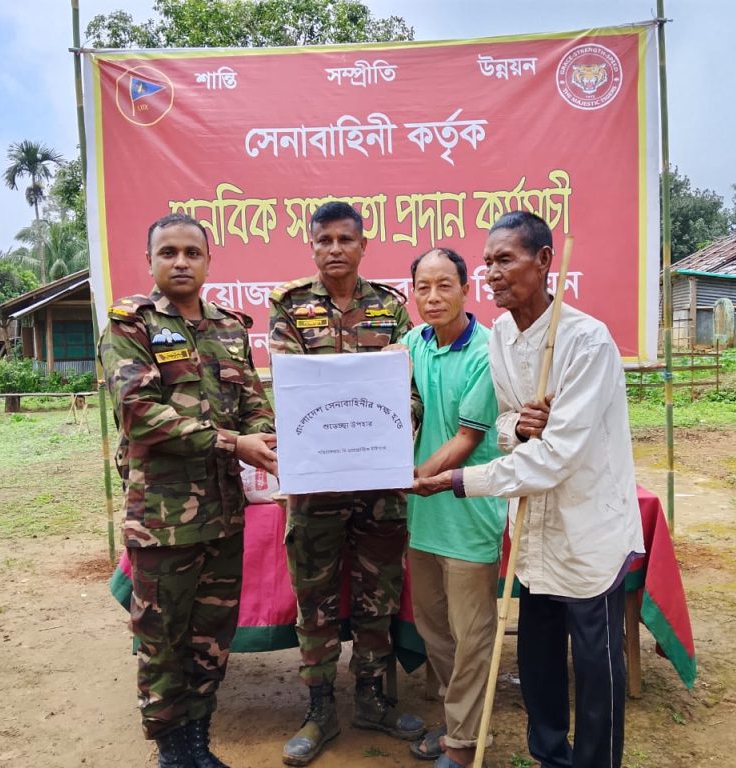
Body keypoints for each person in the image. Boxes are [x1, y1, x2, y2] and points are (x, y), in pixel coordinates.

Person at [413, 211, 645, 768]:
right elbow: (501, 428)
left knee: (594, 667)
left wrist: (460, 480)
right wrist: (516, 426)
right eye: (488, 261)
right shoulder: (501, 341)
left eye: (505, 259)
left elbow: (558, 457)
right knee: (538, 658)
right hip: (531, 533)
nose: (492, 272)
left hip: (587, 532)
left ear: (544, 262)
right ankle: (549, 755)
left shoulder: (586, 340)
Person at [99, 212, 278, 768]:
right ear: (150, 260)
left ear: (208, 260)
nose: (181, 261)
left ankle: (198, 743)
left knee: (210, 636)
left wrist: (262, 434)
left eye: (192, 252)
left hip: (224, 515)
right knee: (162, 639)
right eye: (168, 252)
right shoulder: (132, 325)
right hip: (162, 517)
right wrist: (233, 443)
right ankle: (171, 752)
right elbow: (140, 415)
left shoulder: (228, 326)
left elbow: (252, 400)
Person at [268, 201, 426, 766]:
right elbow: (289, 394)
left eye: (345, 239)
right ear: (311, 246)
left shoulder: (390, 307)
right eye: (324, 240)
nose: (334, 248)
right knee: (314, 599)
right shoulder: (289, 308)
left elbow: (410, 388)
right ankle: (318, 710)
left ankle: (373, 701)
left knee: (377, 595)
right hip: (316, 486)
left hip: (379, 483)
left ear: (363, 245)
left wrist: (396, 426)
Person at [400, 248, 507, 768]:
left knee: (473, 636)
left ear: (468, 289)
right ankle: (457, 721)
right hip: (423, 519)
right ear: (413, 293)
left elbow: (466, 438)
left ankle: (464, 745)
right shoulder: (412, 344)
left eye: (445, 285)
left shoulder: (487, 351)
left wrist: (411, 476)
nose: (433, 297)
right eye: (423, 287)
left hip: (468, 513)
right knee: (433, 629)